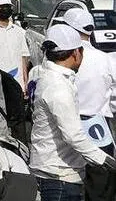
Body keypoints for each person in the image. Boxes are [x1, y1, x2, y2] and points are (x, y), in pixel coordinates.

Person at [29, 24, 116, 201]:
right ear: (76, 53)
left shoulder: (44, 74)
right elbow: (73, 135)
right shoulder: (58, 87)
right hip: (59, 175)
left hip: (56, 171)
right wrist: (106, 161)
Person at [58, 8, 116, 201]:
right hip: (99, 128)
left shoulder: (59, 57)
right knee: (101, 186)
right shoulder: (105, 59)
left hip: (66, 126)